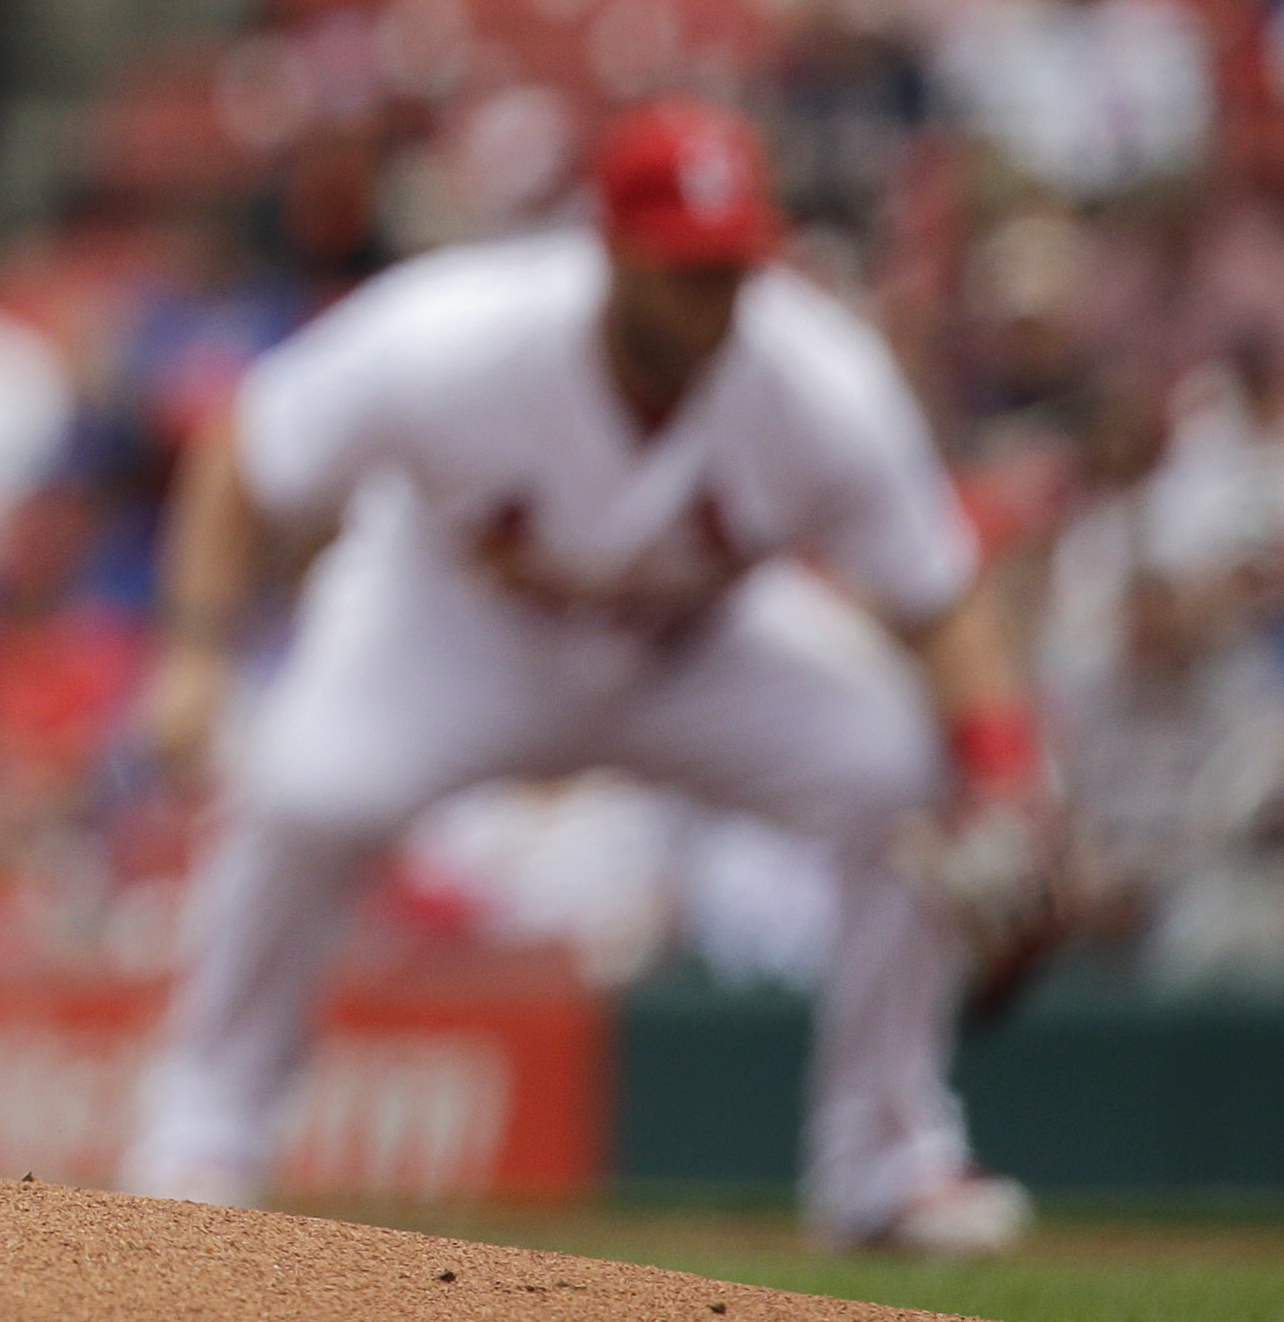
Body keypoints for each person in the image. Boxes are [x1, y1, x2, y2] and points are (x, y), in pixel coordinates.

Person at [119, 100, 1043, 1257]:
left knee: (896, 768)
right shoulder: (457, 332)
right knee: (303, 790)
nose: (713, 299)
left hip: (701, 644)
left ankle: (887, 1166)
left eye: (730, 268)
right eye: (684, 270)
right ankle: (200, 1142)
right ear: (609, 249)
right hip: (453, 625)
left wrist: (1005, 781)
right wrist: (196, 653)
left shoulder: (818, 377)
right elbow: (245, 448)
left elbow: (938, 593)